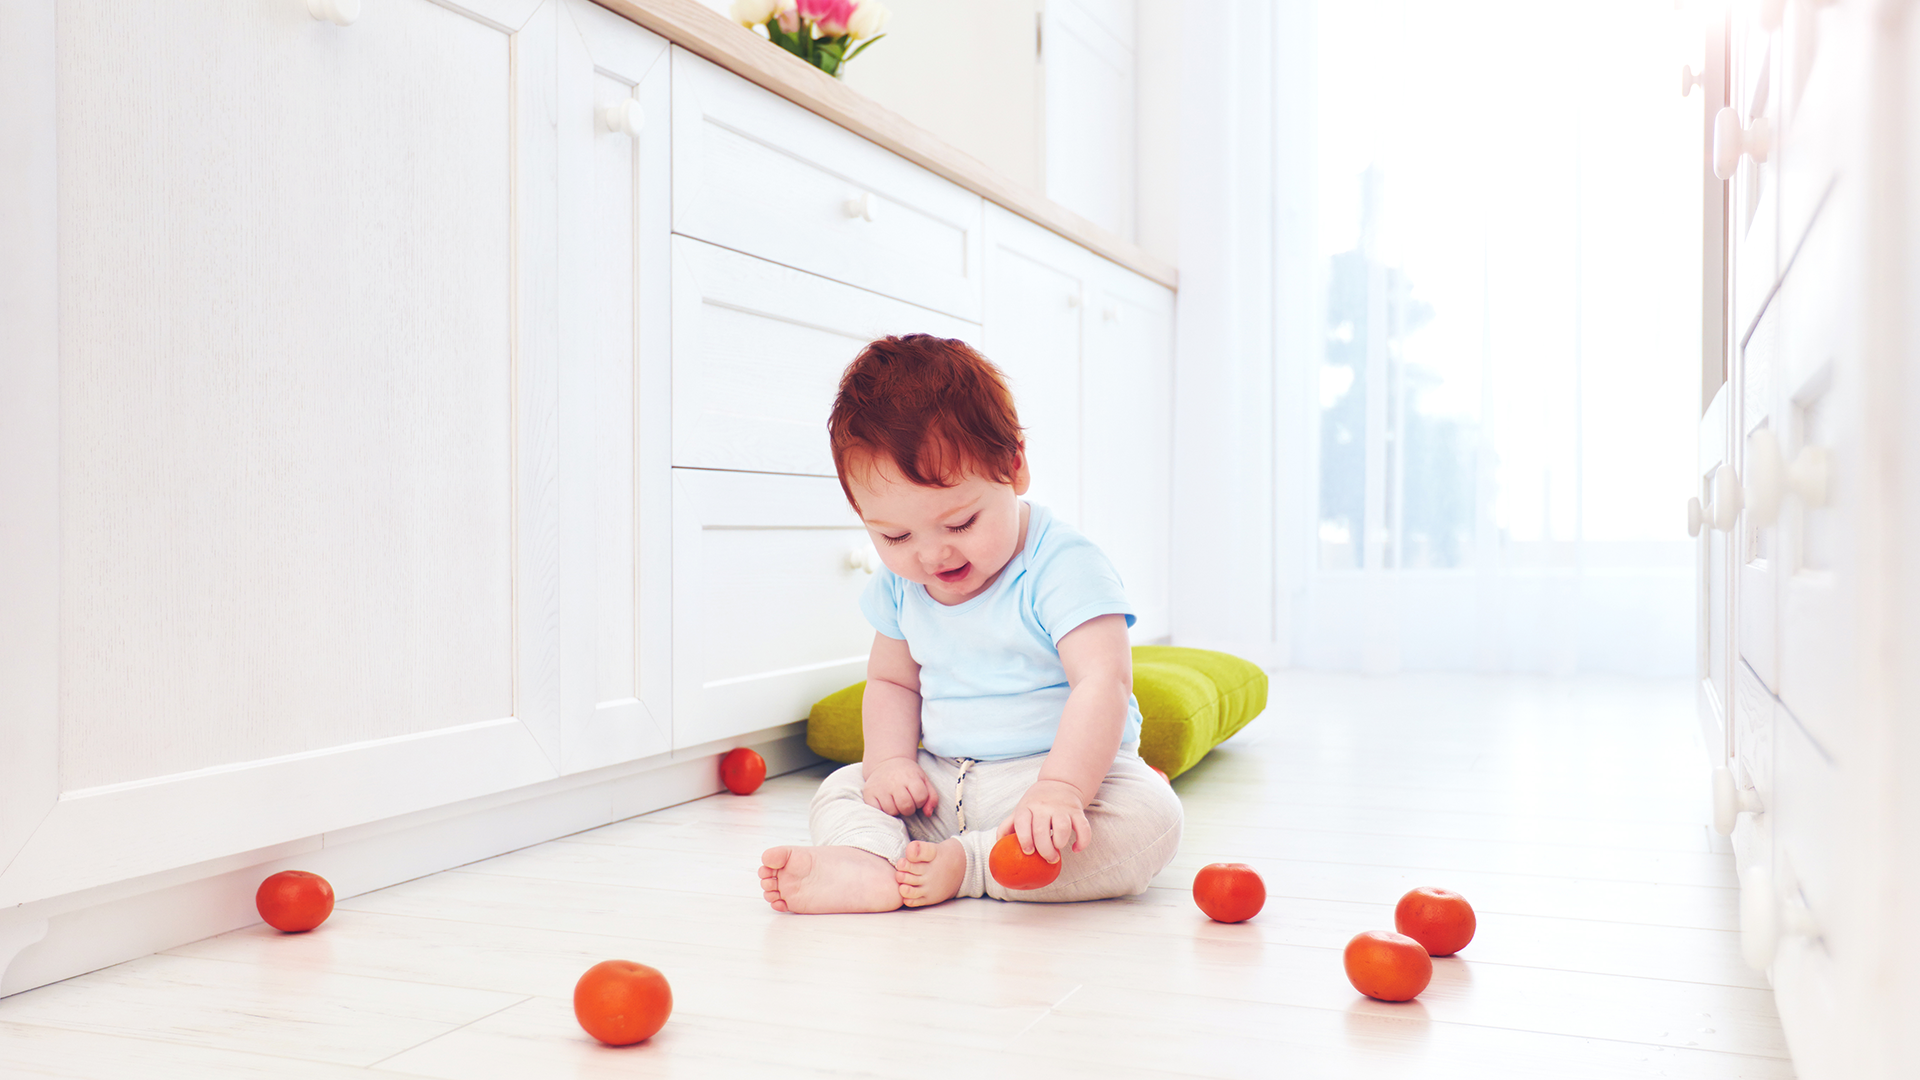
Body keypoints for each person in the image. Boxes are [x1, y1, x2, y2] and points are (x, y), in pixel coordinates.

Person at [758, 334, 1183, 913]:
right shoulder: (901, 586)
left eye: (959, 524)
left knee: (1151, 817)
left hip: (1056, 782)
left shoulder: (1064, 566)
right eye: (896, 536)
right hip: (940, 785)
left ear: (1014, 467)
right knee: (842, 787)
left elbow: (1101, 683)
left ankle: (974, 866)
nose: (932, 557)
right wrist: (889, 764)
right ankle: (871, 863)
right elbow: (891, 682)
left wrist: (1060, 790)